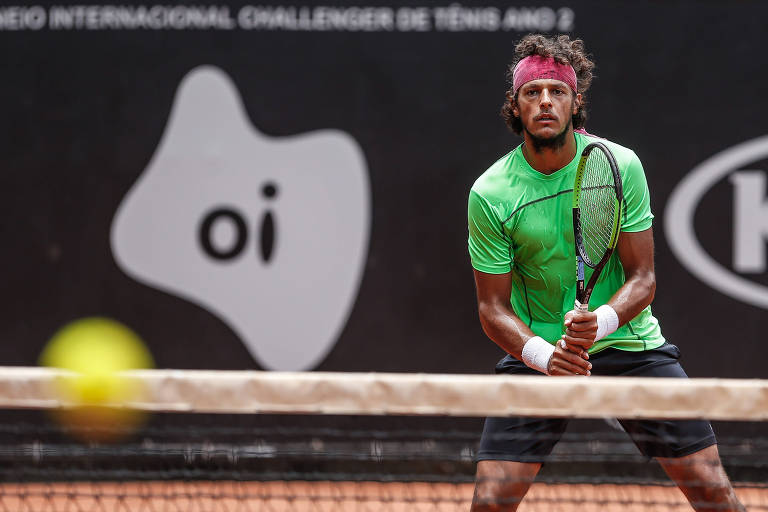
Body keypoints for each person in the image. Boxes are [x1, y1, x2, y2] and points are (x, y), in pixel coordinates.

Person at [466, 34, 744, 512]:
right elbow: (492, 309)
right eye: (532, 93)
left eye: (558, 91)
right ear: (516, 105)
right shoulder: (490, 193)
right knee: (491, 502)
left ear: (577, 102)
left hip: (629, 345)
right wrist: (542, 355)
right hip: (541, 351)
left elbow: (643, 278)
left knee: (712, 490)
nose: (546, 102)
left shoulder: (619, 166)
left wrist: (603, 322)